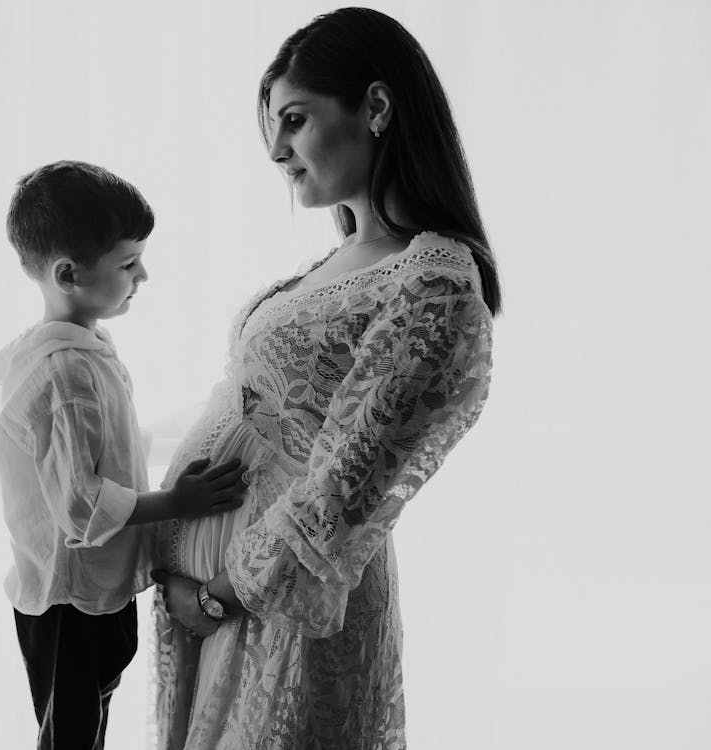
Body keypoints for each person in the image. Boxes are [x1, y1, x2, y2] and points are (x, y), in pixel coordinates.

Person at [149, 9, 501, 749]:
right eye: (271, 127)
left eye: (295, 120)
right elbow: (249, 413)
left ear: (375, 106)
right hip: (227, 609)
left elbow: (346, 484)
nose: (276, 149)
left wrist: (219, 596)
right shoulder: (337, 265)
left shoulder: (430, 284)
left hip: (281, 616)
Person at [0, 160, 249, 749]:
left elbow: (114, 444)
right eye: (128, 263)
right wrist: (176, 501)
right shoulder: (62, 373)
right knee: (72, 736)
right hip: (69, 601)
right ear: (69, 273)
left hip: (95, 592)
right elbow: (80, 507)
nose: (144, 275)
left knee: (93, 715)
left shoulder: (85, 348)